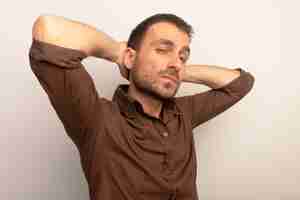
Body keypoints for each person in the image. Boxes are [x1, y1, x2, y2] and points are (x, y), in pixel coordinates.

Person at [29, 13, 255, 200]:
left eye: (183, 56)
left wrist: (174, 71)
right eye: (163, 50)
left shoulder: (183, 112)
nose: (177, 62)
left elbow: (240, 84)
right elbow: (48, 31)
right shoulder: (96, 119)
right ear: (130, 57)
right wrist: (117, 53)